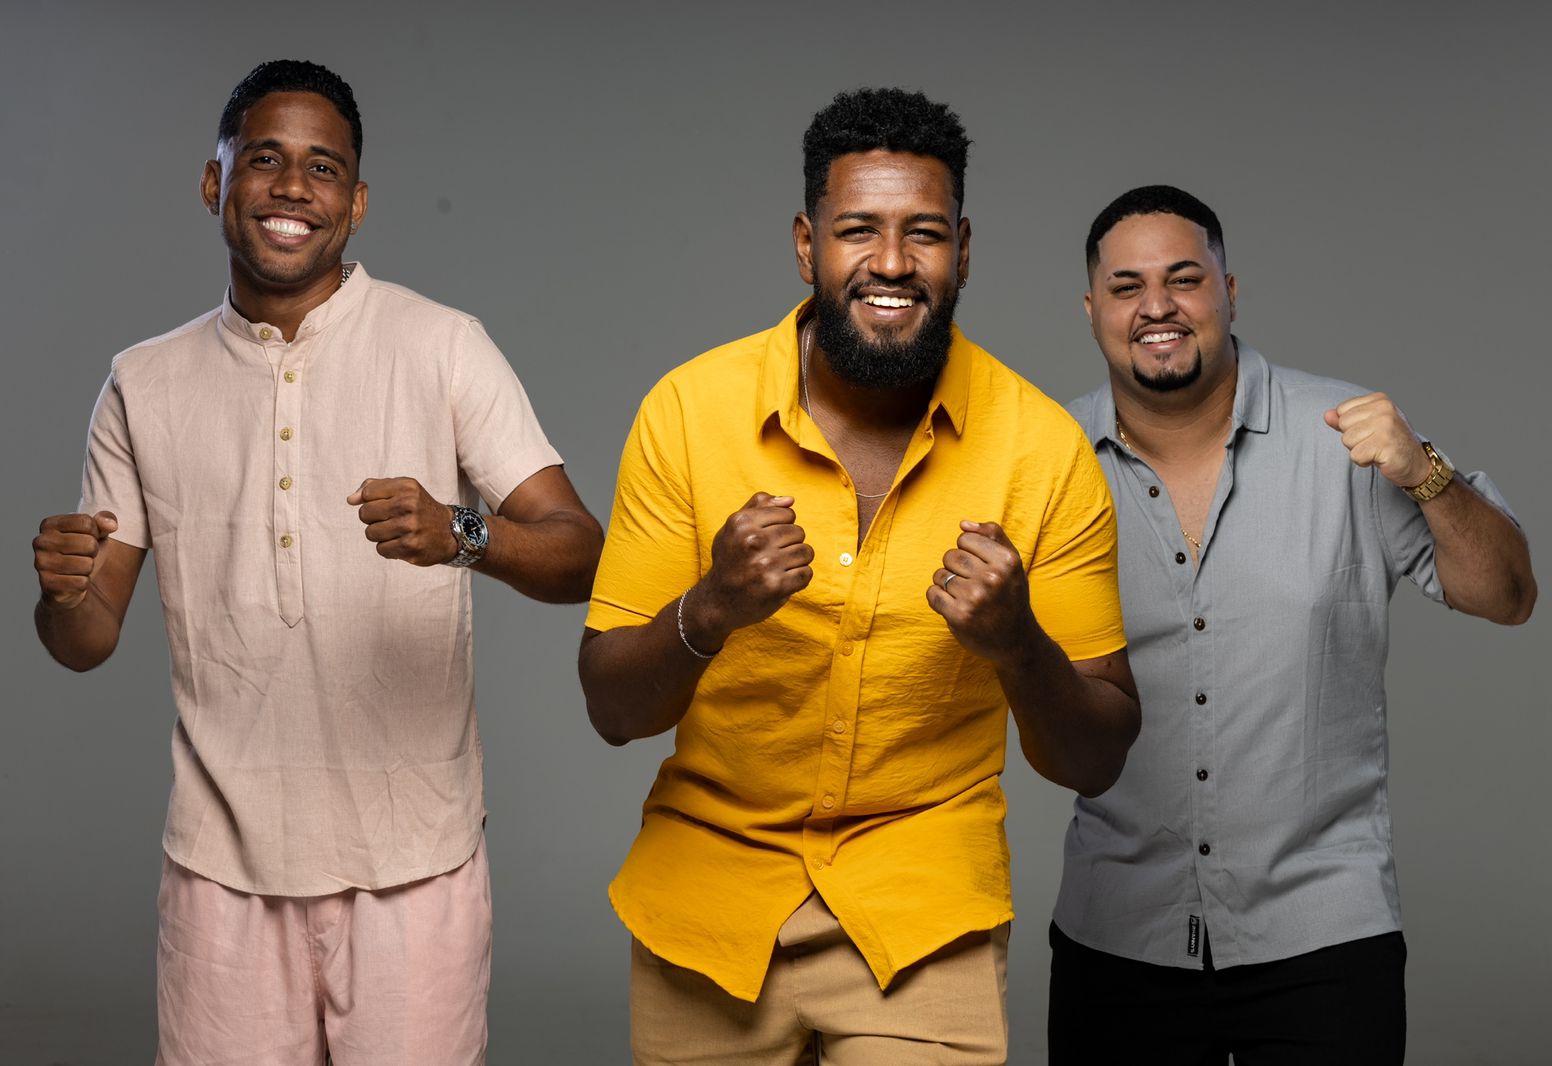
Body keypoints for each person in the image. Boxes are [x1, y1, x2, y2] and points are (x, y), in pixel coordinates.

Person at [30, 59, 603, 1066]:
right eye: (264, 159)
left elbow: (581, 552)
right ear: (215, 182)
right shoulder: (142, 382)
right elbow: (85, 639)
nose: (293, 187)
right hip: (220, 871)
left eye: (323, 167)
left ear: (357, 202)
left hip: (416, 863)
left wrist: (464, 533)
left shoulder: (442, 345)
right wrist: (61, 594)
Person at [578, 87, 1140, 1065]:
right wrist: (710, 608)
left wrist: (1017, 646)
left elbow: (1095, 759)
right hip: (707, 903)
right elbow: (612, 709)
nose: (890, 262)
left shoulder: (1043, 450)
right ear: (808, 246)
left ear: (963, 250)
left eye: (923, 233)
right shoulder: (688, 412)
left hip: (922, 918)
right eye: (857, 231)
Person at [1050, 184, 1537, 1065]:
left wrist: (1424, 471)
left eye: (1184, 278)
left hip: (1324, 938)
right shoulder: (1045, 463)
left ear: (1230, 292)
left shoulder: (1347, 438)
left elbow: (1508, 596)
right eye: (1127, 286)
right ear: (1093, 311)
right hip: (1116, 934)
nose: (1157, 306)